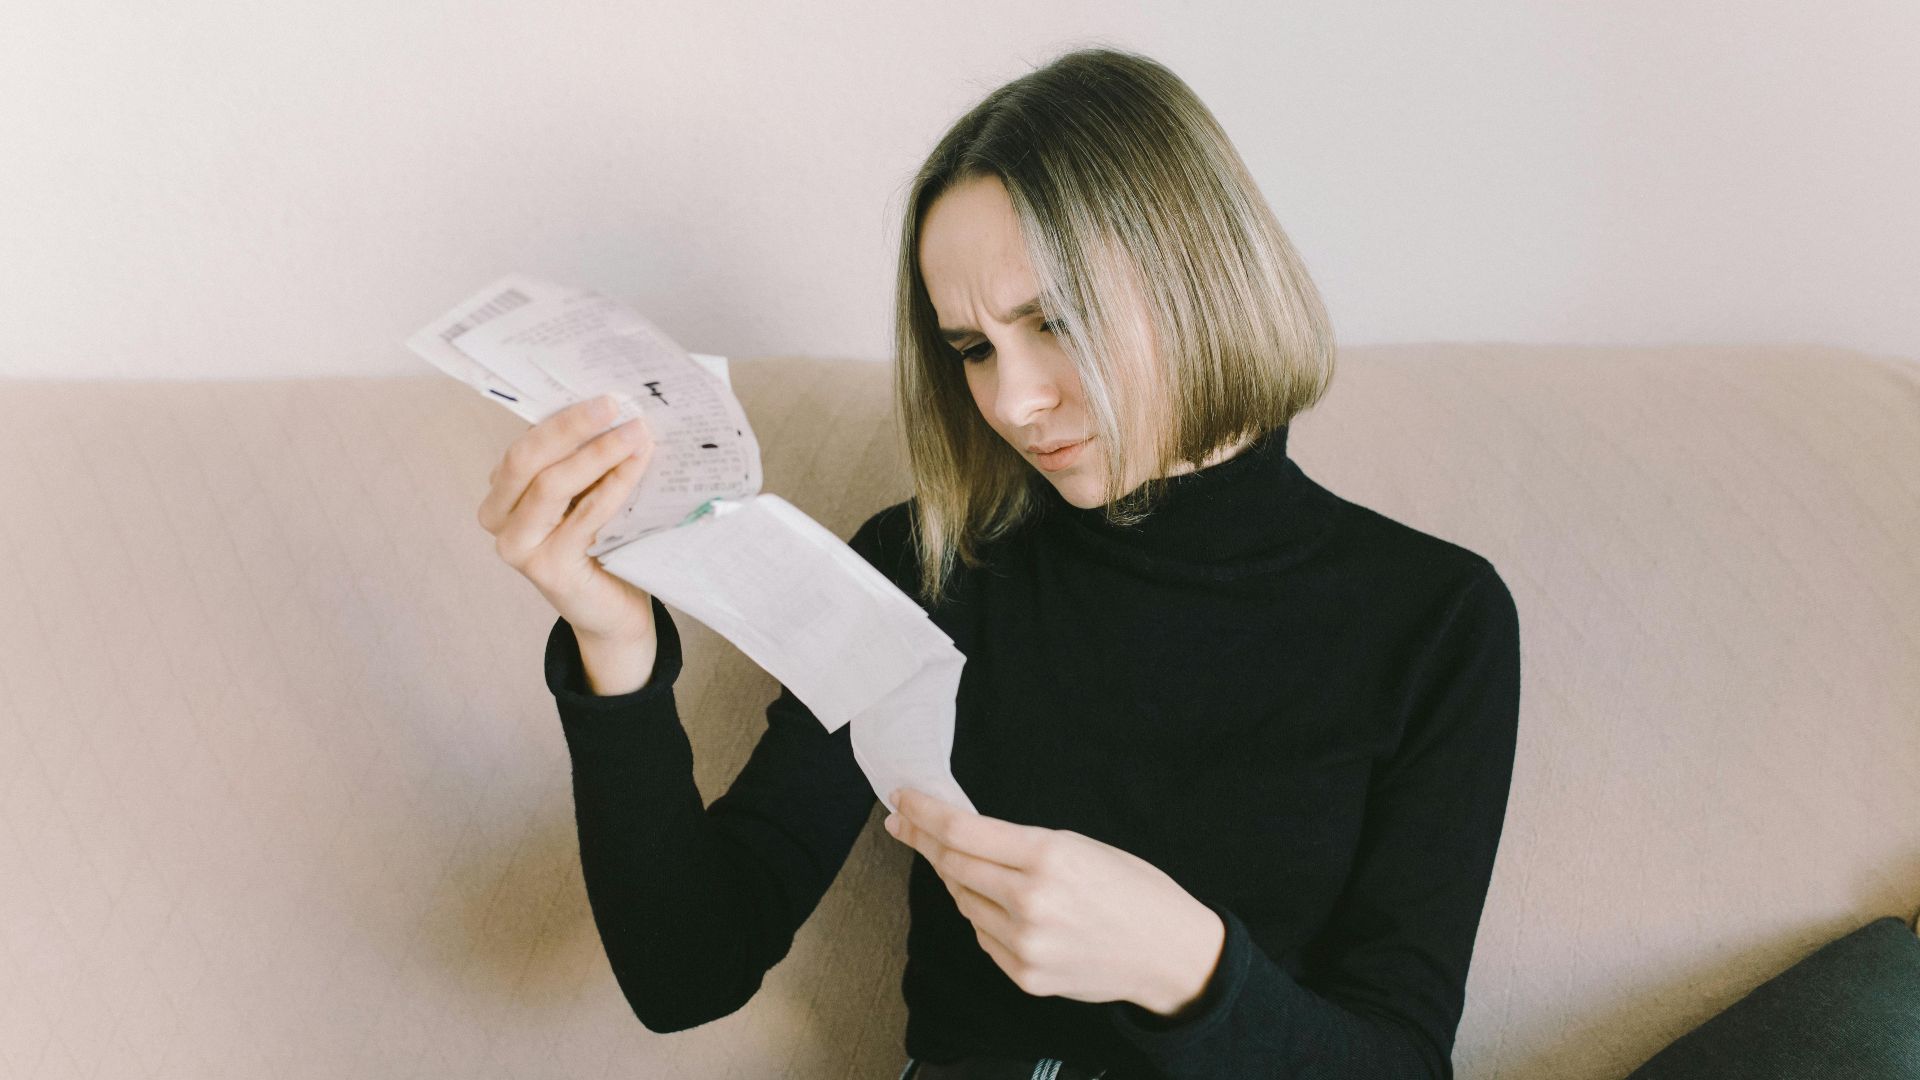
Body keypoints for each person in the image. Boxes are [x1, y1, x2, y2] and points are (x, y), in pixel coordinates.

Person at [477, 45, 1521, 1080]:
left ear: (1198, 279)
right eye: (973, 349)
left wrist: (1187, 968)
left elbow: (1401, 1059)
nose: (1014, 402)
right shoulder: (924, 567)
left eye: (1055, 323)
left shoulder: (1434, 617)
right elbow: (688, 974)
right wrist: (616, 650)